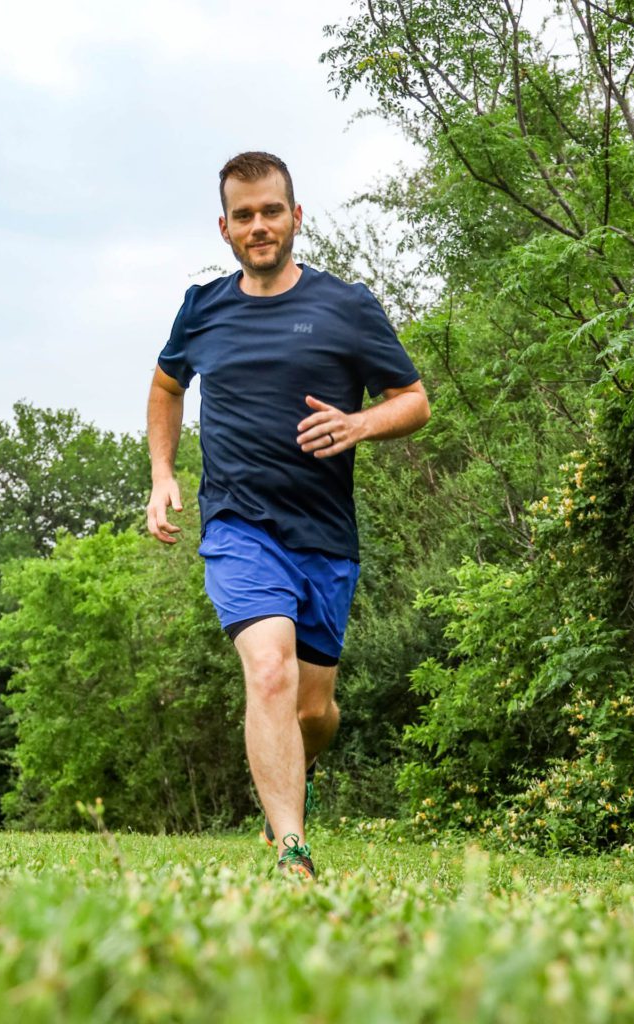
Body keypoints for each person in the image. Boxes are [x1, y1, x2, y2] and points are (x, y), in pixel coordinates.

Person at [146, 151, 429, 879]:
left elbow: (414, 401)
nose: (259, 225)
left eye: (271, 210)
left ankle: (291, 781)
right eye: (244, 215)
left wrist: (361, 425)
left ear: (296, 217)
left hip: (326, 537)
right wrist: (162, 473)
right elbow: (166, 387)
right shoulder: (202, 309)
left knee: (311, 713)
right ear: (224, 227)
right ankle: (291, 849)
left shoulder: (347, 306)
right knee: (266, 672)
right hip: (239, 526)